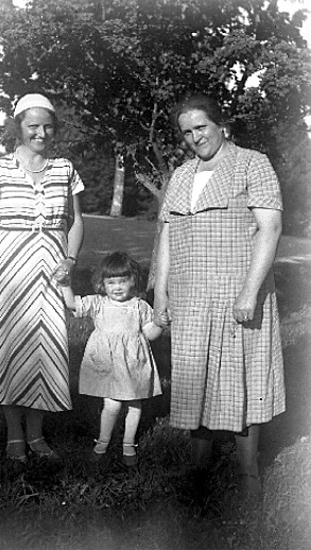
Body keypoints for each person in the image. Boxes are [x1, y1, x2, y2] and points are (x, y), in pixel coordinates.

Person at [153, 93, 285, 497]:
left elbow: (271, 228)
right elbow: (168, 237)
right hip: (191, 296)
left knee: (241, 377)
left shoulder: (251, 163)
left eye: (201, 127)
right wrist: (161, 293)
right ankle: (199, 470)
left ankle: (249, 474)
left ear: (220, 125)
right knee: (196, 377)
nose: (195, 137)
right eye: (187, 132)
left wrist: (249, 292)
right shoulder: (180, 176)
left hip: (237, 293)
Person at [0, 93, 84, 464]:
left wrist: (70, 259)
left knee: (46, 349)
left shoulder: (64, 169)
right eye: (33, 126)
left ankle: (36, 434)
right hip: (8, 271)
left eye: (47, 125)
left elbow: (76, 220)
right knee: (7, 347)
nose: (41, 133)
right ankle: (14, 433)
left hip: (52, 272)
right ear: (18, 127)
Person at [60, 251, 164, 467]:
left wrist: (161, 323)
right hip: (108, 364)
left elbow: (150, 334)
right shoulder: (99, 303)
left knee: (135, 404)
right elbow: (71, 303)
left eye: (123, 281)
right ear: (102, 283)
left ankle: (128, 443)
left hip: (133, 363)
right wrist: (65, 283)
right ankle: (103, 441)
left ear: (133, 280)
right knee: (113, 404)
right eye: (111, 282)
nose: (117, 287)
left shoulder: (139, 305)